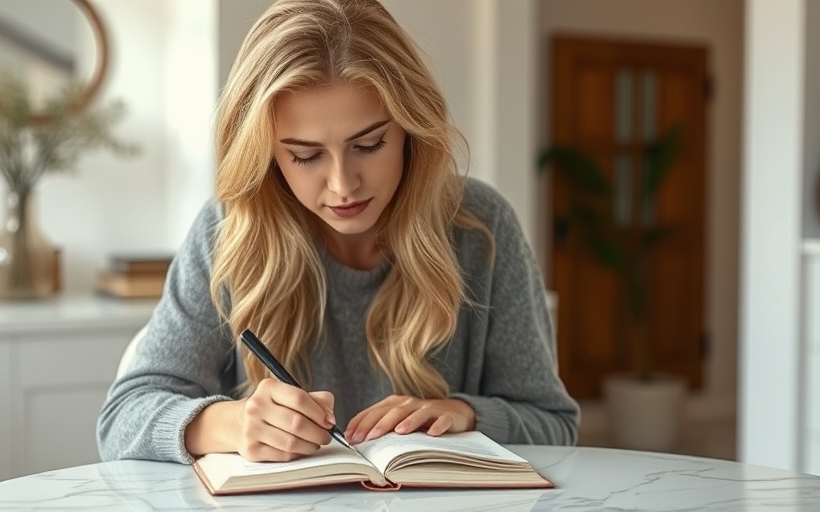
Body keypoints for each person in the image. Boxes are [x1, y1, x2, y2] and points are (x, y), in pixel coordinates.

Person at [97, 0, 579, 465]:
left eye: (369, 145)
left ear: (411, 127)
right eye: (305, 156)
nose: (343, 185)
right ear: (267, 153)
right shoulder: (230, 231)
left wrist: (465, 415)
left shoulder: (481, 226)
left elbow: (554, 423)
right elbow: (122, 419)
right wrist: (235, 424)